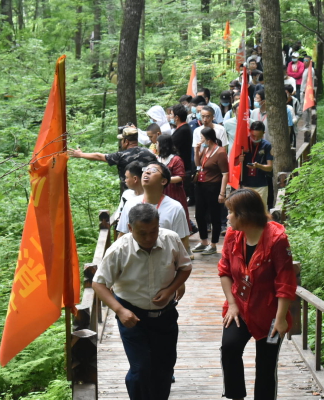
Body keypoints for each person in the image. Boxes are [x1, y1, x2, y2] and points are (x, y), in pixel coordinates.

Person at [92, 203, 192, 400]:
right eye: (142, 233)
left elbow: (185, 267)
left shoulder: (170, 239)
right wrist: (120, 311)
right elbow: (99, 284)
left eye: (153, 231)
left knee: (164, 367)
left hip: (165, 315)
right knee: (140, 369)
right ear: (130, 228)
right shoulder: (119, 250)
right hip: (132, 315)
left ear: (158, 225)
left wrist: (170, 289)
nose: (149, 238)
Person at [218, 189, 297, 400]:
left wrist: (280, 320)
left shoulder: (277, 240)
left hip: (270, 313)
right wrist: (232, 304)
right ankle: (236, 396)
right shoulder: (233, 236)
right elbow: (224, 271)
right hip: (240, 307)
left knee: (266, 364)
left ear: (245, 214)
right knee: (229, 348)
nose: (228, 217)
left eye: (231, 212)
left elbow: (285, 282)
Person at [68, 126, 157, 189]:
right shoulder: (149, 153)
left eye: (122, 140)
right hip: (149, 191)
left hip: (130, 193)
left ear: (126, 141)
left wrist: (81, 155)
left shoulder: (121, 156)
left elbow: (99, 156)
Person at [192, 127, 229, 256]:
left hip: (214, 187)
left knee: (214, 216)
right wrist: (196, 151)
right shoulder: (205, 149)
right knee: (199, 214)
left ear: (208, 139)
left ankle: (213, 244)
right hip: (201, 186)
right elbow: (198, 164)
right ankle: (203, 241)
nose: (200, 140)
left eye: (202, 138)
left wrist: (222, 193)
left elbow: (225, 174)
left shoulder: (220, 152)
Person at [156, 135, 192, 232]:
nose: (156, 145)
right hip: (160, 191)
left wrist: (164, 180)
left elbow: (181, 177)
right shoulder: (157, 159)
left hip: (173, 192)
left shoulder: (176, 159)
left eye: (157, 143)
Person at [238, 121, 273, 209]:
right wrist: (239, 160)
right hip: (245, 184)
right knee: (246, 211)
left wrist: (258, 166)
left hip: (261, 184)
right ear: (250, 131)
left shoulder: (267, 145)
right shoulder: (243, 143)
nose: (256, 138)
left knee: (261, 211)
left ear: (263, 134)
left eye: (259, 136)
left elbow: (269, 168)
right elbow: (232, 165)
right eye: (253, 135)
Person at [170, 104, 194, 204]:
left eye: (171, 115)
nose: (170, 117)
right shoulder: (182, 128)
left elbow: (172, 146)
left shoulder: (183, 130)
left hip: (182, 166)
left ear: (177, 117)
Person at [299, 55, 317, 133]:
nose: (304, 62)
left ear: (310, 62)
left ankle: (307, 125)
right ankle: (306, 124)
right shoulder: (306, 69)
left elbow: (310, 82)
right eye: (304, 60)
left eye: (306, 61)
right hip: (303, 91)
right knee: (305, 109)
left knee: (306, 109)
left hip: (305, 92)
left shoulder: (311, 70)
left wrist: (306, 91)